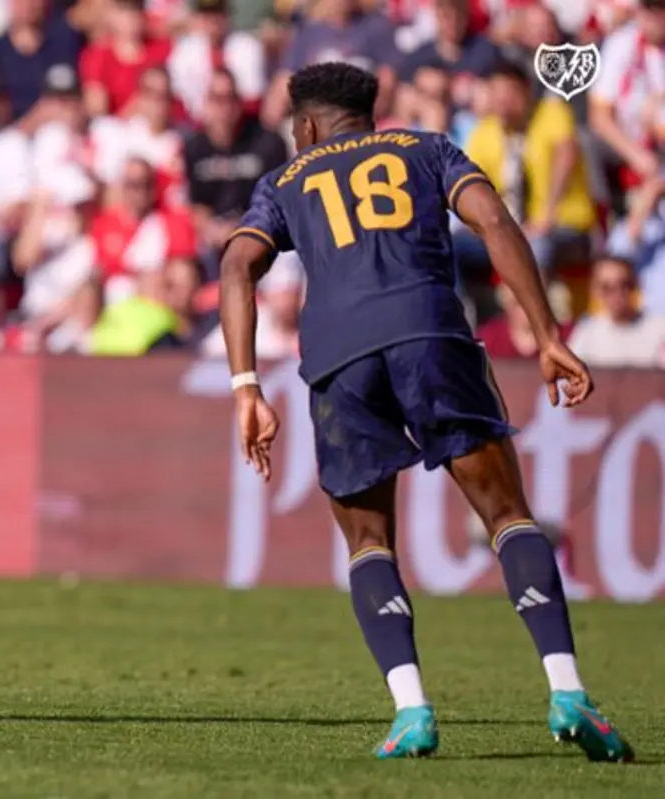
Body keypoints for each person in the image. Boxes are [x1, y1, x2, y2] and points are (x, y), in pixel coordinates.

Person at [219, 62, 632, 761]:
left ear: (309, 127)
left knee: (369, 541)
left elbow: (236, 266)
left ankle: (412, 711)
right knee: (508, 515)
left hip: (340, 357)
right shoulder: (427, 148)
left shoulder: (285, 183)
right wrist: (547, 336)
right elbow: (495, 219)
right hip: (431, 334)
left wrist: (245, 386)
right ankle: (567, 690)